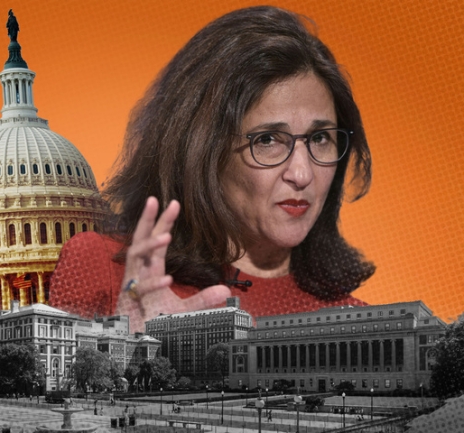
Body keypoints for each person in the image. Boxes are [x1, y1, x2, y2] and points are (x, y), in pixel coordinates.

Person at [49, 6, 373, 333]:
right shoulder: (102, 267)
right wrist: (129, 343)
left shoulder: (355, 319)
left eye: (320, 138)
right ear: (202, 151)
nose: (302, 174)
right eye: (267, 140)